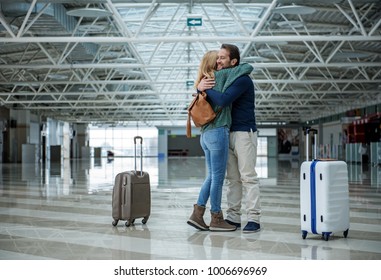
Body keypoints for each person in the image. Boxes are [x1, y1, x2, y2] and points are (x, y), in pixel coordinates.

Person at [197, 44, 261, 233]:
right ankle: (233, 217)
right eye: (218, 58)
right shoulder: (226, 78)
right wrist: (201, 87)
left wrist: (204, 89)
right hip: (227, 133)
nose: (218, 61)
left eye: (223, 58)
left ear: (233, 61)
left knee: (248, 176)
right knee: (233, 178)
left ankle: (254, 218)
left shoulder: (242, 80)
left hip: (244, 133)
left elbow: (224, 100)